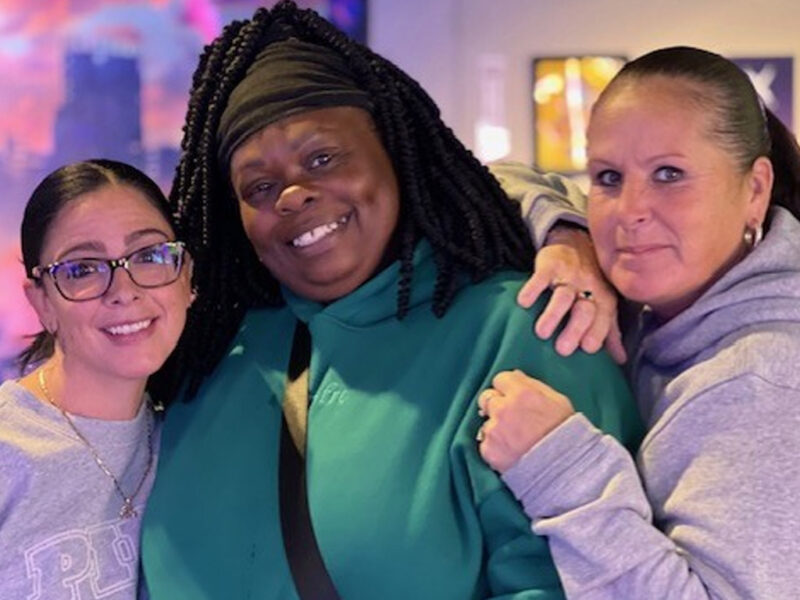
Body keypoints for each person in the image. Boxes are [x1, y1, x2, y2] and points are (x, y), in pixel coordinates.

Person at [138, 2, 641, 598]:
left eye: (323, 158)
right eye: (259, 187)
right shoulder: (205, 358)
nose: (294, 194)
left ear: (395, 153)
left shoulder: (528, 325)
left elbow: (582, 582)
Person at [479, 46, 800, 598]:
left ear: (755, 190)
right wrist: (569, 236)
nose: (630, 210)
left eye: (669, 174)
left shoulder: (764, 378)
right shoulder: (666, 307)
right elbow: (494, 176)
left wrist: (559, 465)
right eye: (607, 177)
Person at [0, 159, 194, 599]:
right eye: (83, 269)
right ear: (42, 303)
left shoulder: (192, 433)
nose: (124, 290)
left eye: (148, 256)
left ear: (187, 278)